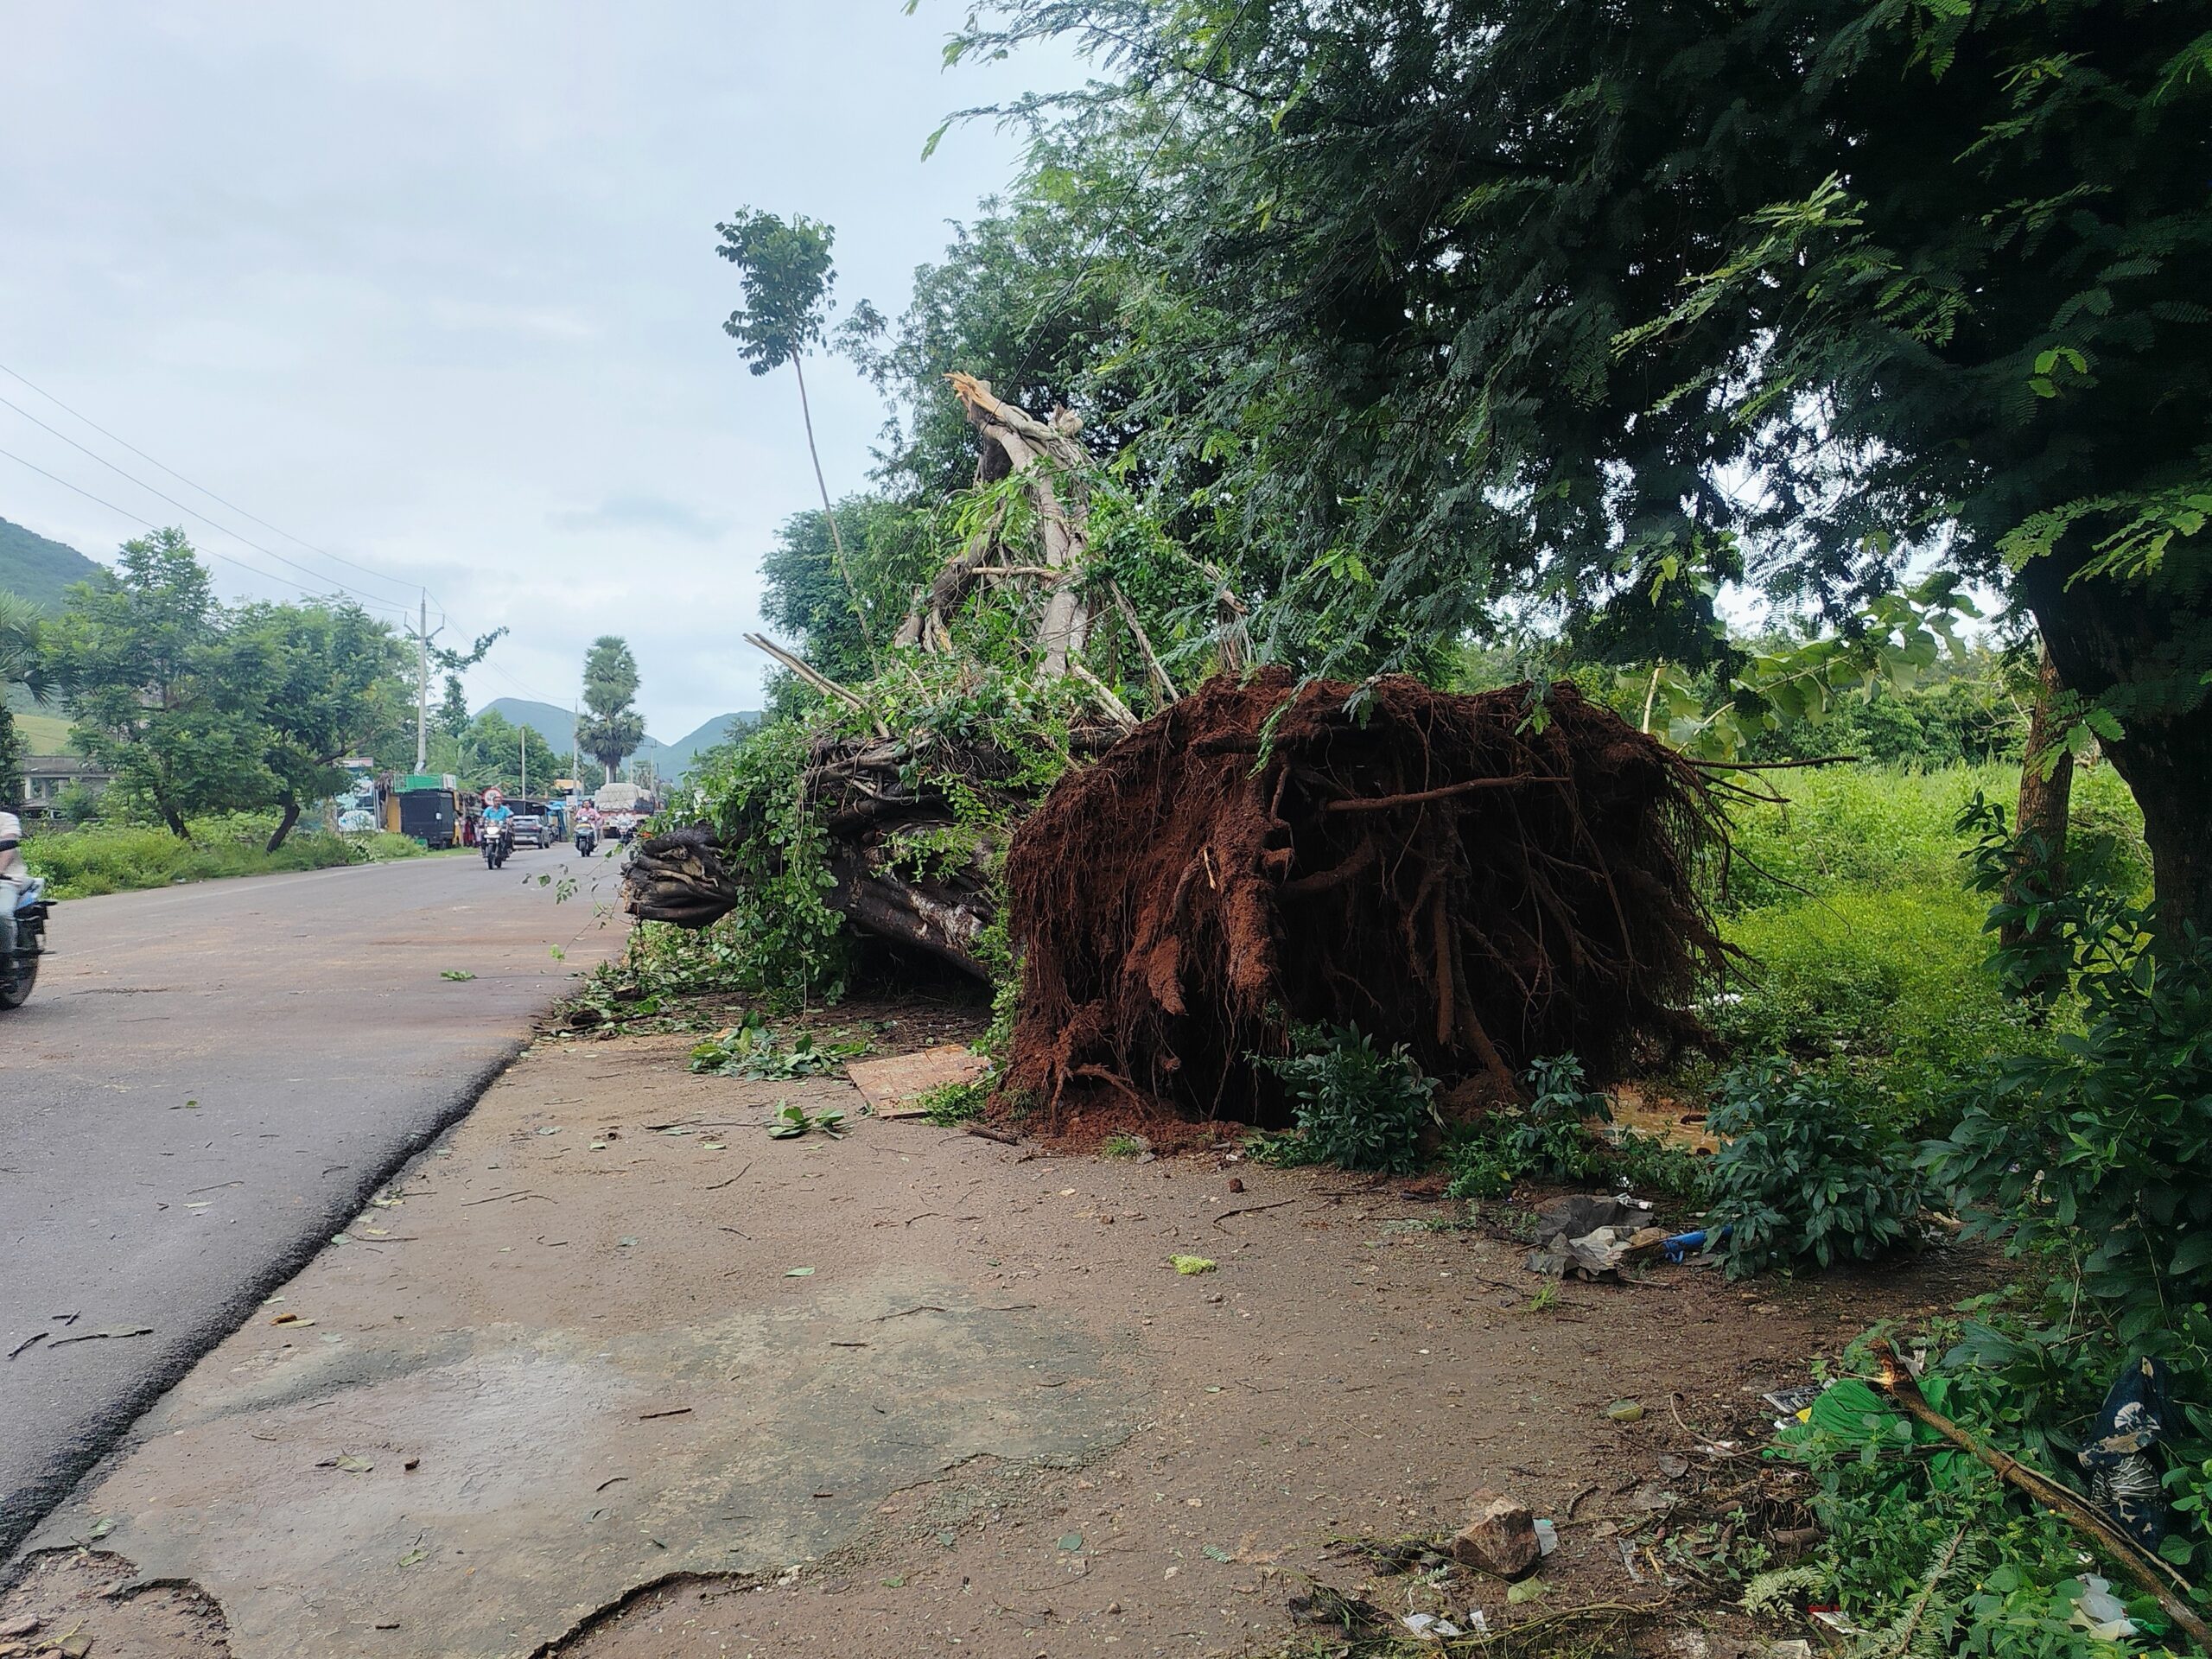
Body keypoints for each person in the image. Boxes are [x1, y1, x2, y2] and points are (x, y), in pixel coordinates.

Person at [0, 800, 26, 969]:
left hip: (6, 878)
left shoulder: (6, 820)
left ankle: (7, 958)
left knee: (1, 913)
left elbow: (8, 849)